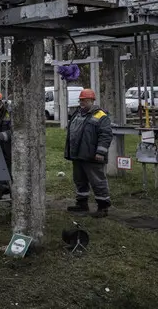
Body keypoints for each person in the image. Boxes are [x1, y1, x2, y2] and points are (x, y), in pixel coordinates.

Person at [64, 88, 113, 218]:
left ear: (91, 100)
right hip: (78, 155)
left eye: (84, 100)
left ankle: (103, 207)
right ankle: (81, 204)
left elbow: (106, 135)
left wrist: (100, 152)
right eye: (81, 100)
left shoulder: (101, 116)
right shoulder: (77, 114)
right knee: (79, 180)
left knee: (97, 181)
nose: (82, 102)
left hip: (93, 156)